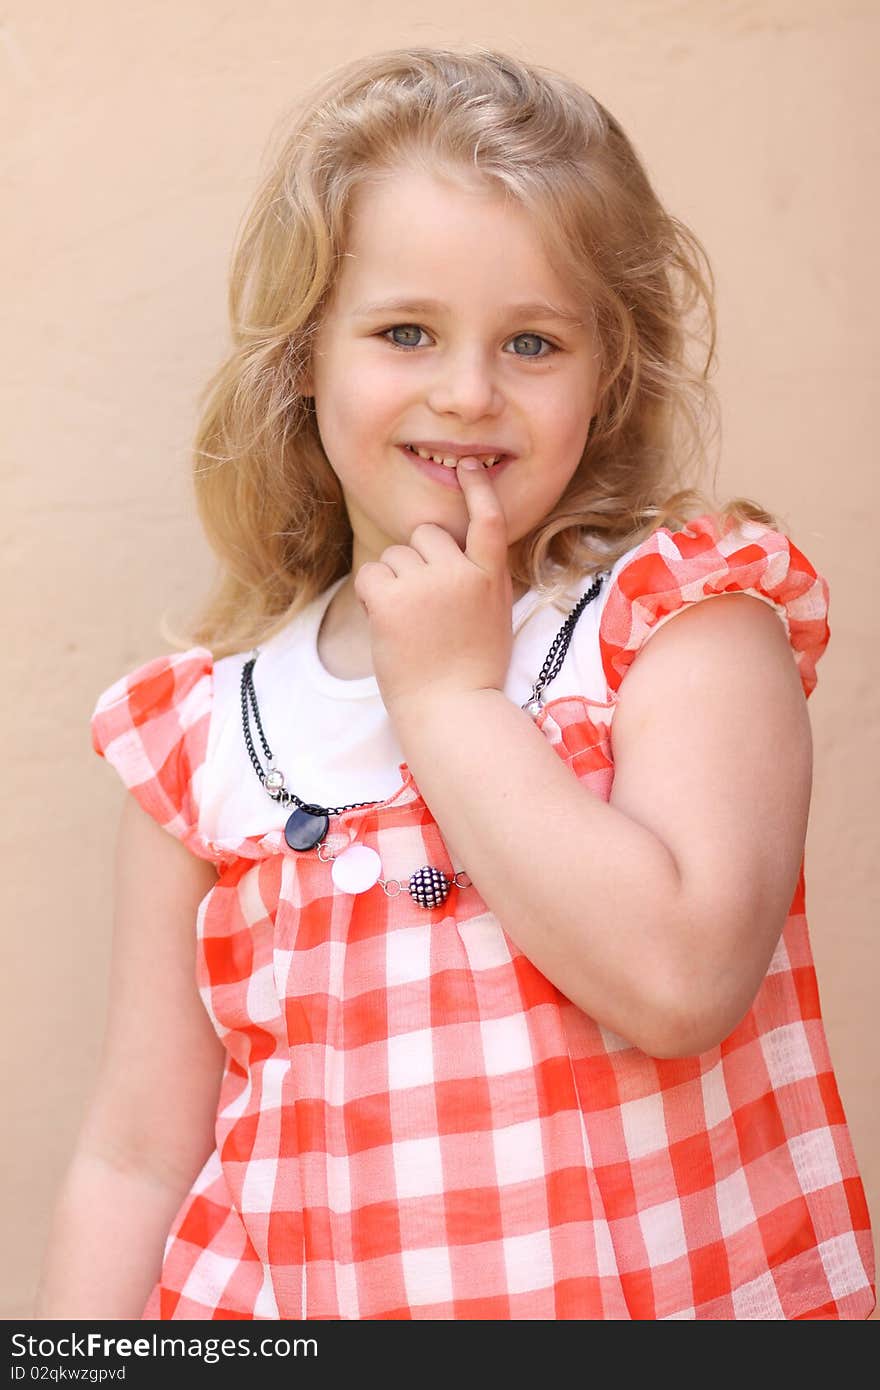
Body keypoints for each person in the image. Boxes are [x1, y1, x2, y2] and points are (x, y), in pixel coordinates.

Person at [37, 44, 875, 1321]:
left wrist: (446, 704)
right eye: (406, 331)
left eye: (532, 340)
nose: (468, 391)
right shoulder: (207, 744)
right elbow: (142, 1149)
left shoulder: (678, 626)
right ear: (305, 359)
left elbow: (682, 978)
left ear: (611, 372)